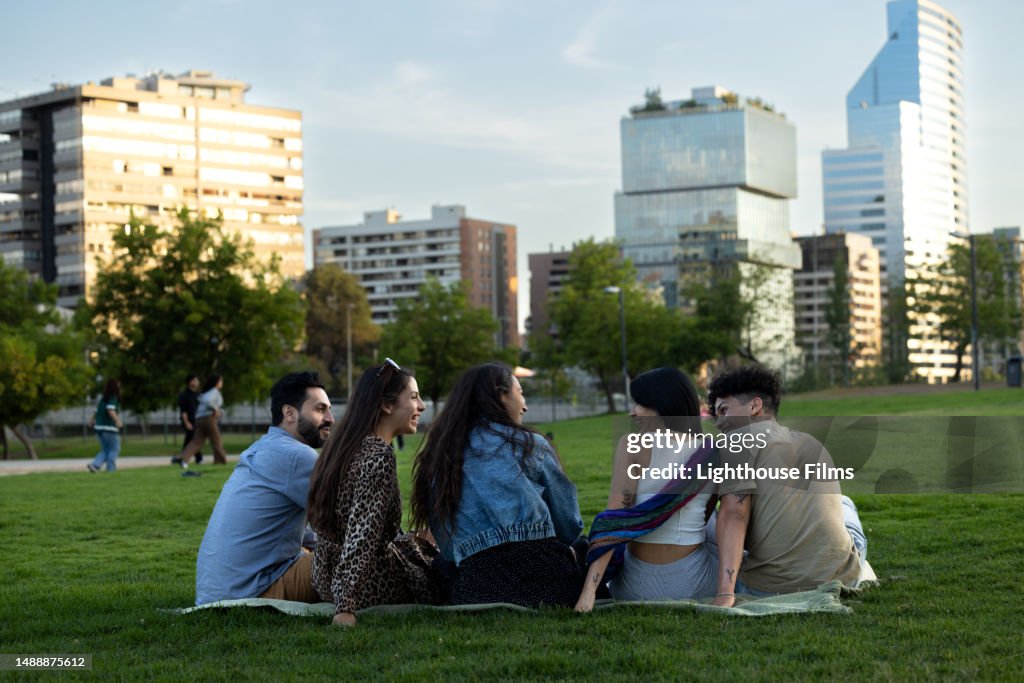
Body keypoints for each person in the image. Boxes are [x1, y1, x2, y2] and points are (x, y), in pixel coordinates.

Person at [410, 362, 585, 609]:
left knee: (441, 565)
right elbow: (568, 527)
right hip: (552, 584)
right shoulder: (531, 445)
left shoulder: (440, 458)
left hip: (478, 590)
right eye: (520, 392)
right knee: (586, 546)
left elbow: (449, 550)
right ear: (500, 393)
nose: (524, 405)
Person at [707, 364, 868, 607]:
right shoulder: (811, 442)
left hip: (767, 589)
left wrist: (724, 593)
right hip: (845, 578)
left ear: (754, 406)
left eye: (724, 410)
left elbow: (734, 514)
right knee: (845, 504)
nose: (718, 422)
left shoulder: (737, 441)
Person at [307, 358, 439, 627]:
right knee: (445, 570)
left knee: (421, 542)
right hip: (370, 585)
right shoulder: (378, 456)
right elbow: (361, 535)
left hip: (325, 575)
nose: (422, 406)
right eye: (414, 397)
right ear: (387, 405)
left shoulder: (342, 446)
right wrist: (346, 607)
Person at [575, 367, 719, 612]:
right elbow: (708, 515)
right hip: (694, 585)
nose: (632, 412)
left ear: (662, 405)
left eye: (639, 404)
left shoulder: (632, 445)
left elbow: (614, 520)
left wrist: (588, 593)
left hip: (635, 588)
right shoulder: (711, 452)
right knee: (718, 519)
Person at [195, 371, 333, 606]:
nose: (330, 417)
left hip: (220, 591)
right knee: (358, 558)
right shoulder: (297, 455)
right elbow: (343, 524)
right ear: (289, 413)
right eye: (320, 409)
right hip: (254, 589)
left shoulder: (266, 448)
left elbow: (311, 533)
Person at [178, 374, 228, 474]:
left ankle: (184, 459)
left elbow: (204, 401)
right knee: (216, 440)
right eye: (221, 381)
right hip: (208, 419)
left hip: (199, 419)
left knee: (197, 441)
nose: (222, 383)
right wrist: (215, 409)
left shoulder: (206, 392)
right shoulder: (214, 391)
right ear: (216, 382)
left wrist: (218, 411)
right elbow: (208, 401)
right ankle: (221, 461)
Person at [87, 378, 123, 473]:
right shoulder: (113, 398)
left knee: (106, 449)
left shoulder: (103, 399)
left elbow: (96, 411)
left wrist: (91, 421)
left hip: (98, 427)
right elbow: (110, 410)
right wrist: (118, 421)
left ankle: (95, 464)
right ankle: (111, 470)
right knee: (115, 449)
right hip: (109, 427)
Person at [172, 374, 203, 466]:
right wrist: (186, 422)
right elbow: (183, 411)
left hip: (197, 421)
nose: (197, 382)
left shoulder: (198, 395)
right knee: (193, 439)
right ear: (190, 382)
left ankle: (181, 458)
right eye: (195, 380)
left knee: (191, 439)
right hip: (189, 421)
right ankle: (198, 458)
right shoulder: (184, 395)